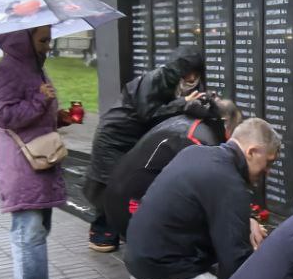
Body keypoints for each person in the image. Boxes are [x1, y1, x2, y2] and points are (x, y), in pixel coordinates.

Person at [119, 118, 280, 279]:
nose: (268, 171)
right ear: (252, 152)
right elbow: (235, 263)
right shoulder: (229, 183)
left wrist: (245, 220)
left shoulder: (197, 153)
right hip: (165, 272)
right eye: (269, 162)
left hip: (143, 260)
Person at [86, 96, 246, 279]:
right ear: (225, 122)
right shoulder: (199, 142)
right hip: (132, 200)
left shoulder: (193, 124)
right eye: (236, 128)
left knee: (170, 267)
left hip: (124, 192)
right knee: (170, 266)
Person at [83, 46, 206, 253]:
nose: (192, 77)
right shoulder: (155, 79)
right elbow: (149, 114)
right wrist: (183, 103)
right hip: (114, 137)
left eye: (196, 72)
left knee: (124, 184)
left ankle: (116, 229)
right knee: (110, 184)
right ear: (179, 69)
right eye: (188, 72)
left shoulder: (174, 83)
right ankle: (100, 232)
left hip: (131, 140)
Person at [0, 26, 71, 279]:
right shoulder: (8, 71)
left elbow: (33, 112)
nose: (49, 45)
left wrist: (58, 117)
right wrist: (40, 100)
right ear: (23, 40)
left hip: (38, 160)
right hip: (21, 164)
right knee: (29, 230)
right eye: (43, 40)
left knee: (38, 228)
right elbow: (3, 115)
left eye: (49, 39)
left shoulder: (33, 68)